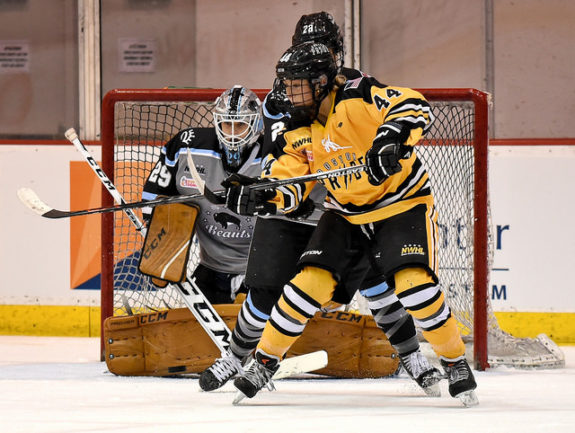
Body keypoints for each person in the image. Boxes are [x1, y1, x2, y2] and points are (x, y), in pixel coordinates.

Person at [199, 12, 442, 396]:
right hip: (289, 206)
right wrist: (259, 190)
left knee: (379, 284)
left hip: (342, 209)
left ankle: (411, 355)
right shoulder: (284, 94)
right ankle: (237, 355)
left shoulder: (354, 89)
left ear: (337, 52)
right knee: (263, 289)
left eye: (328, 47)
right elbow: (280, 154)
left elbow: (393, 116)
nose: (318, 54)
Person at [141, 85, 264, 304]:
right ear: (217, 122)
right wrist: (155, 236)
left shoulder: (275, 155)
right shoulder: (186, 147)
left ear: (255, 125)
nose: (233, 134)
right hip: (211, 268)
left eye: (241, 126)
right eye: (228, 124)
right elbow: (155, 197)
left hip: (264, 271)